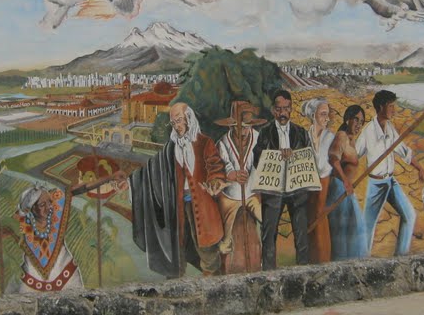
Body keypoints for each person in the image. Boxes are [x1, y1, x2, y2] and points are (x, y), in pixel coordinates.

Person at [131, 101, 226, 277]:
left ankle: (212, 284)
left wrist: (215, 181)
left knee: (207, 249)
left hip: (202, 205)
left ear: (189, 119)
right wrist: (130, 180)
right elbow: (153, 169)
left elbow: (215, 166)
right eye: (173, 123)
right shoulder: (170, 148)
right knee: (176, 248)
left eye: (180, 121)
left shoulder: (204, 143)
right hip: (177, 208)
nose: (177, 126)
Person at [357, 90, 424, 256]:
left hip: (390, 181)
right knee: (367, 227)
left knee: (409, 215)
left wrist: (420, 168)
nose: (394, 110)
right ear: (381, 107)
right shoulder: (368, 132)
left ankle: (401, 256)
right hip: (376, 184)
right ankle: (362, 261)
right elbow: (355, 154)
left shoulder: (390, 128)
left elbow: (404, 152)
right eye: (391, 106)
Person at [253, 89, 312, 270]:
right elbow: (256, 159)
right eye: (279, 109)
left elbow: (309, 158)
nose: (282, 113)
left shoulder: (301, 132)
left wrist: (294, 156)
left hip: (297, 191)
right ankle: (269, 273)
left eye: (286, 108)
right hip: (273, 191)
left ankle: (302, 271)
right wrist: (277, 155)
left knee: (301, 233)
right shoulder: (265, 133)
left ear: (291, 109)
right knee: (269, 233)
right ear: (273, 110)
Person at [213, 100, 267, 273]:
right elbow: (224, 166)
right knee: (226, 238)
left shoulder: (258, 138)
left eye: (248, 126)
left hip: (251, 192)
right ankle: (226, 263)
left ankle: (263, 260)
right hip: (230, 195)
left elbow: (262, 162)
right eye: (241, 126)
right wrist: (233, 174)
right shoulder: (223, 143)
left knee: (267, 221)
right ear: (232, 126)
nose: (245, 130)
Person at [6, 186, 84, 292]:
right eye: (42, 205)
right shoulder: (22, 222)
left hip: (67, 278)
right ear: (32, 209)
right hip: (31, 282)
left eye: (50, 202)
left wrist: (110, 178)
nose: (49, 207)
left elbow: (81, 187)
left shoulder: (56, 210)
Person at [325, 105, 368, 260]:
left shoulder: (352, 141)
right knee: (341, 231)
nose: (358, 124)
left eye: (361, 122)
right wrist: (345, 181)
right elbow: (333, 159)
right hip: (338, 188)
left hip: (347, 190)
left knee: (357, 227)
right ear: (347, 119)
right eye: (356, 119)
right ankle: (340, 264)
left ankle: (356, 262)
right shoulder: (341, 136)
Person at [302, 97, 334, 263]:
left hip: (323, 183)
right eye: (323, 114)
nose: (326, 118)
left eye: (327, 114)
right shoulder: (305, 135)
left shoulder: (329, 137)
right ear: (313, 115)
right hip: (308, 185)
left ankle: (323, 258)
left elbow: (322, 165)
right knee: (309, 220)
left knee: (320, 219)